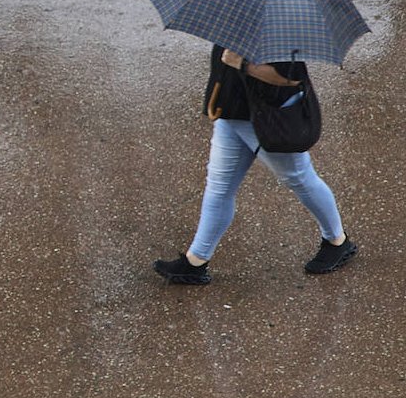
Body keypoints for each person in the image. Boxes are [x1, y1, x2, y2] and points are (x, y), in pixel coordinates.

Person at [153, 44, 357, 285]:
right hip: (231, 111)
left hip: (270, 117)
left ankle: (337, 241)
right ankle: (195, 261)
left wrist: (242, 64)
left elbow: (291, 78)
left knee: (299, 178)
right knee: (219, 186)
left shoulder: (279, 26)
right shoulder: (231, 17)